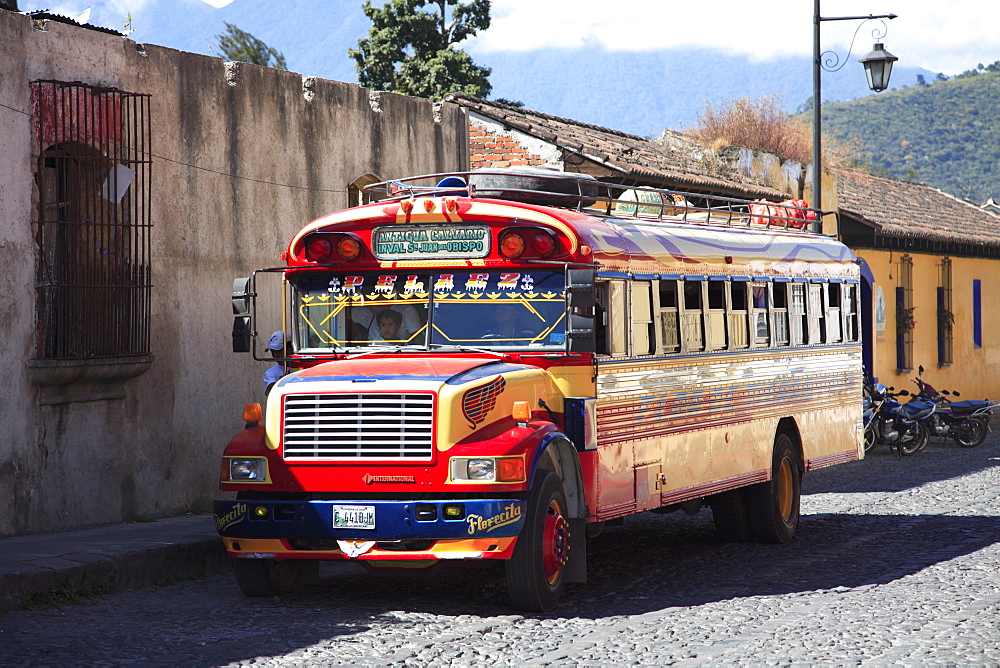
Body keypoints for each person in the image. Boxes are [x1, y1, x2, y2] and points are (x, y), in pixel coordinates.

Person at [263, 331, 291, 395]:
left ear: (290, 349)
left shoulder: (304, 367)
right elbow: (273, 390)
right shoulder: (270, 373)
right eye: (273, 352)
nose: (275, 355)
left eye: (279, 351)